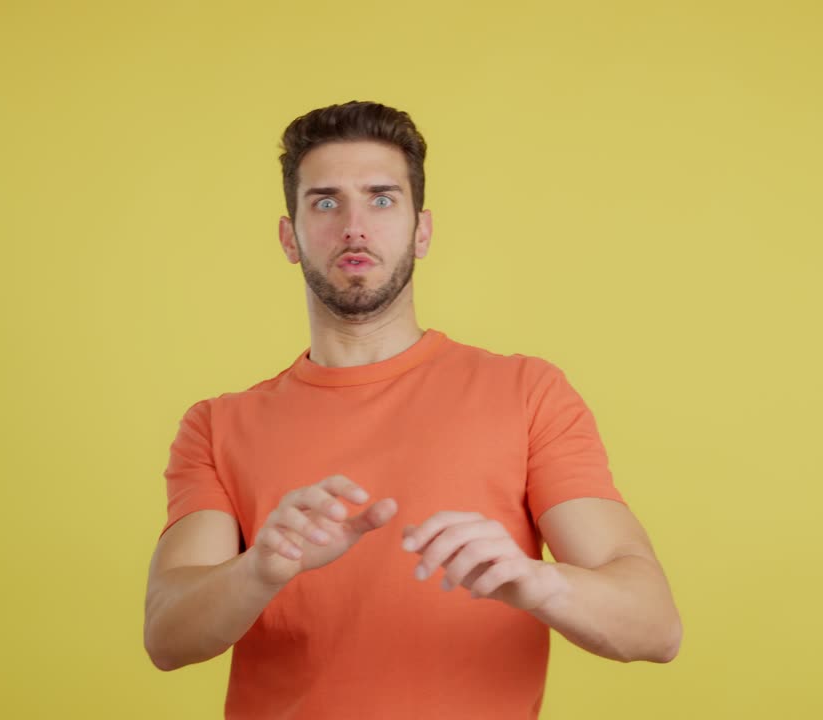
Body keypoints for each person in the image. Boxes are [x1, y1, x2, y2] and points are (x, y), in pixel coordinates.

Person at [143, 100, 681, 719]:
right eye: (325, 202)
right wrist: (259, 570)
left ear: (421, 229)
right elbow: (166, 634)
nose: (353, 225)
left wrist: (541, 584)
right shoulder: (216, 426)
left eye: (380, 198)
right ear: (290, 238)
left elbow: (656, 626)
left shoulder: (527, 393)